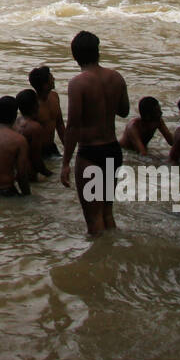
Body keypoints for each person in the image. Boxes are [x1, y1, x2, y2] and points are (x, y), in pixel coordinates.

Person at [61, 31, 130, 235]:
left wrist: (65, 162)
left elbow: (73, 125)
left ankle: (99, 262)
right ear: (98, 51)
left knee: (93, 219)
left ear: (75, 56)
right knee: (107, 213)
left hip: (90, 153)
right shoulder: (116, 77)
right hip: (112, 150)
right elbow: (124, 111)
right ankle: (112, 254)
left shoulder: (78, 83)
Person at [13, 89, 52, 179]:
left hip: (14, 171)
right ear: (36, 105)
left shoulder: (15, 122)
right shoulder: (35, 127)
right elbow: (36, 158)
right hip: (28, 173)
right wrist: (50, 175)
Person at [28, 66, 66, 157]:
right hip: (37, 150)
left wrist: (68, 148)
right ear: (45, 85)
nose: (54, 79)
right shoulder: (32, 105)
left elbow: (60, 124)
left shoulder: (54, 96)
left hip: (52, 147)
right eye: (51, 78)